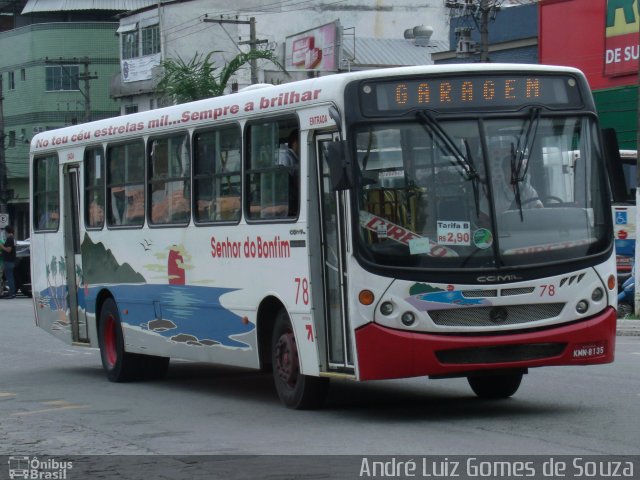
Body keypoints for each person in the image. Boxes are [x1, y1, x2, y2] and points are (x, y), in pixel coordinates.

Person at [0, 225, 16, 298]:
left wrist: (1, 246)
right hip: (11, 261)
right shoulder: (12, 238)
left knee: (9, 278)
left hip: (8, 261)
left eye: (5, 231)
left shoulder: (10, 239)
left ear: (7, 231)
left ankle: (11, 293)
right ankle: (12, 292)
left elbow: (8, 250)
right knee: (10, 277)